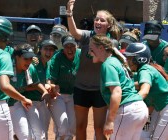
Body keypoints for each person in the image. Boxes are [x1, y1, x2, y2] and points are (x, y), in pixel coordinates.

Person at [66, 0, 121, 139]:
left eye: (102, 20)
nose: (98, 22)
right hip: (81, 88)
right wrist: (69, 13)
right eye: (96, 19)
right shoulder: (87, 36)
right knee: (80, 126)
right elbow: (73, 31)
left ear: (108, 25)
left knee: (98, 128)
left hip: (100, 90)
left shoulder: (112, 43)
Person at [89, 35, 148, 140]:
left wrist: (110, 121)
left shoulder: (108, 64)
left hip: (127, 110)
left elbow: (116, 92)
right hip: (139, 109)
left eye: (91, 49)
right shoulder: (116, 60)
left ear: (101, 48)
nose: (89, 53)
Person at [124, 43, 168, 140]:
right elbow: (140, 84)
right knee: (144, 136)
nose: (127, 61)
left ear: (139, 59)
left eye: (130, 58)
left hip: (165, 109)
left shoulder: (145, 70)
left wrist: (131, 103)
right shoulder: (147, 69)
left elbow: (144, 90)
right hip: (159, 109)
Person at [47, 35, 81, 140]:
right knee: (63, 127)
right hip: (58, 95)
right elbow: (50, 80)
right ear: (63, 47)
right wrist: (52, 87)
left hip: (72, 95)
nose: (70, 49)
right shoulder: (57, 58)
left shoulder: (80, 55)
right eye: (67, 46)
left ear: (77, 46)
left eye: (72, 46)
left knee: (72, 128)